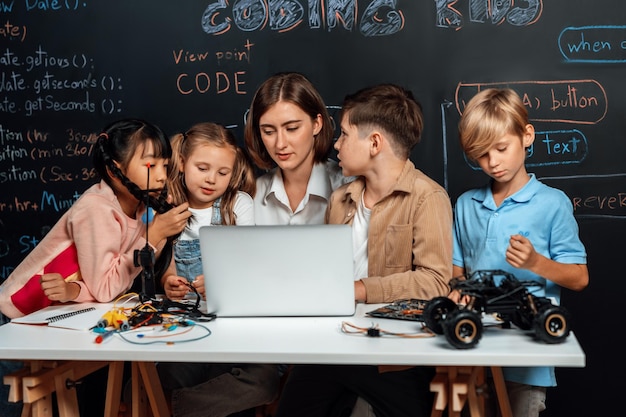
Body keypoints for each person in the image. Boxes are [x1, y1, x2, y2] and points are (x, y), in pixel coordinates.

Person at [274, 83, 453, 417]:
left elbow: (435, 283)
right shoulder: (341, 200)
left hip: (394, 357)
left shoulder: (428, 198)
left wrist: (359, 289)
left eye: (343, 135)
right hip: (332, 346)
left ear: (374, 143)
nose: (336, 145)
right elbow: (328, 273)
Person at [0, 118, 190, 417]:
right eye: (152, 166)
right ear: (115, 170)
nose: (164, 176)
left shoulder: (141, 207)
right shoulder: (97, 209)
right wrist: (154, 235)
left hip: (64, 311)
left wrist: (156, 234)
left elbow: (110, 276)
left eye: (166, 166)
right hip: (27, 315)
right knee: (27, 398)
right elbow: (105, 287)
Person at [451, 88, 589, 417]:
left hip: (527, 357)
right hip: (473, 347)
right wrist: (456, 293)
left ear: (526, 136)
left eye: (501, 148)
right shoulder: (465, 204)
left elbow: (580, 278)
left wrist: (535, 262)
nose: (493, 162)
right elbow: (456, 272)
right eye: (481, 155)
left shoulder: (552, 203)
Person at [156, 122, 278, 417]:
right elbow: (164, 267)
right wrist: (169, 281)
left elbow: (249, 267)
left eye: (223, 173)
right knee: (171, 374)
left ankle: (171, 409)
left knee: (264, 379)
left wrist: (222, 287)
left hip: (231, 323)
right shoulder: (167, 208)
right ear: (183, 163)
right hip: (185, 324)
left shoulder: (238, 205)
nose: (212, 179)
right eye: (202, 168)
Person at [244, 72, 353, 225]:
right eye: (268, 132)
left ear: (317, 124)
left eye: (292, 128)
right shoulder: (252, 196)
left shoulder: (350, 190)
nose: (280, 144)